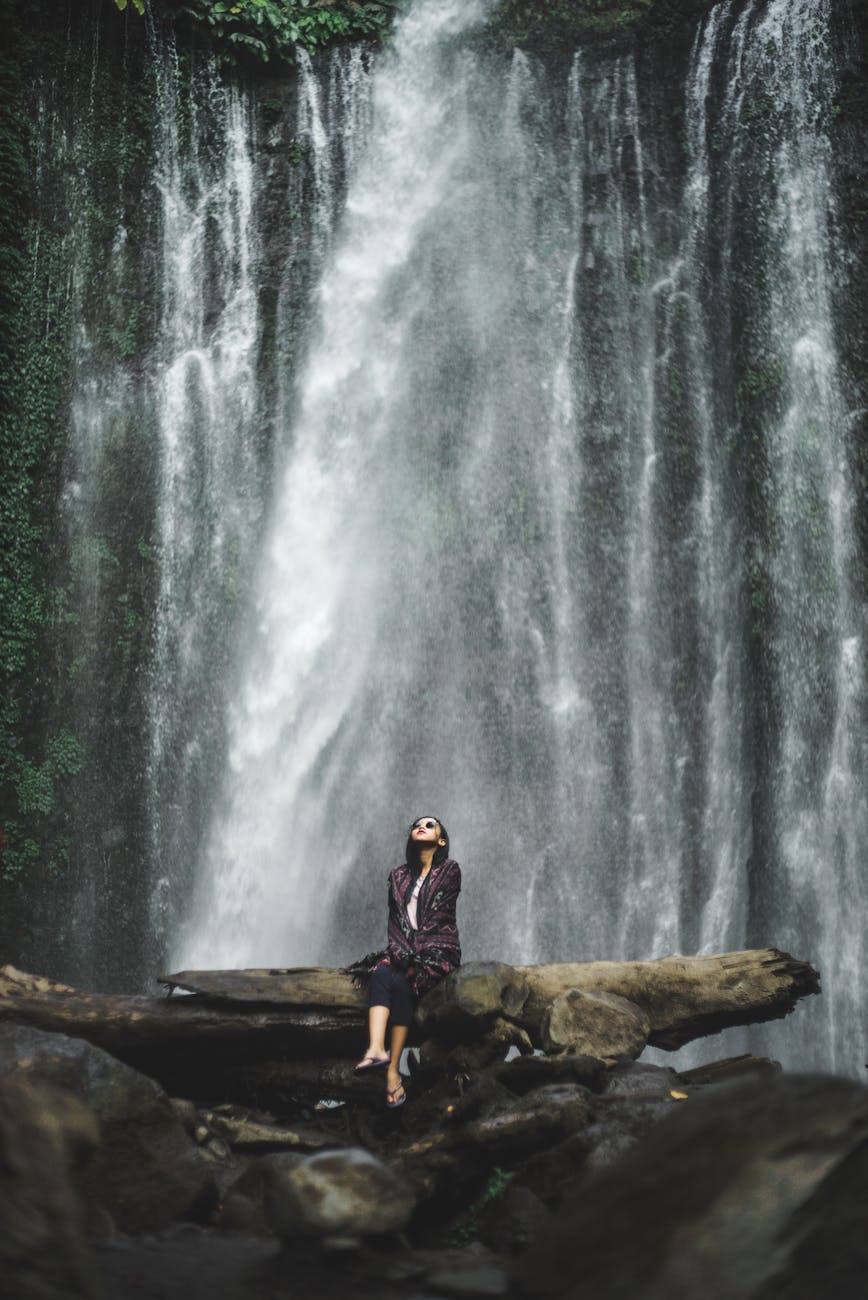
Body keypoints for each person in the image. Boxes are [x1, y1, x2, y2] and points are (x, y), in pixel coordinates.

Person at [350, 815, 461, 1109]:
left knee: (399, 979)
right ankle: (378, 1051)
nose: (420, 826)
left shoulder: (449, 871)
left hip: (437, 952)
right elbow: (396, 922)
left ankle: (389, 1066)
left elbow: (439, 916)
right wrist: (401, 951)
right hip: (403, 952)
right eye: (416, 825)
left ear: (441, 841)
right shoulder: (398, 876)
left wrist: (414, 952)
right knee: (383, 974)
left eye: (430, 825)